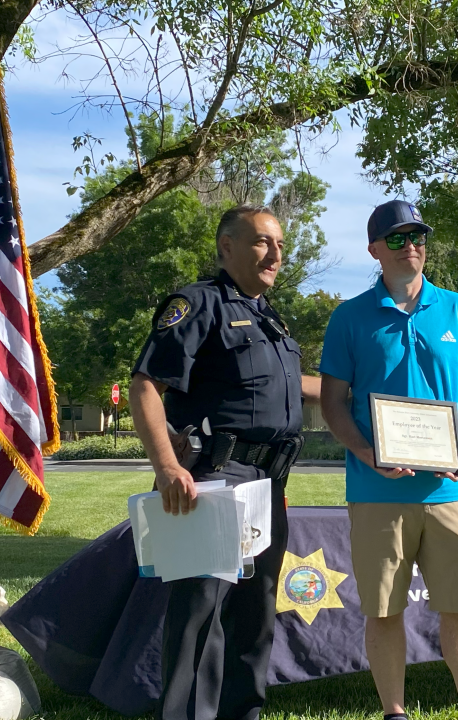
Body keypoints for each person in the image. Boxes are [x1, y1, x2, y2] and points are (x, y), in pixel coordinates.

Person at [130, 204, 322, 720]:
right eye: (262, 242)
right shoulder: (198, 305)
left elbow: (290, 386)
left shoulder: (271, 319)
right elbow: (146, 383)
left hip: (268, 480)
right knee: (199, 615)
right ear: (227, 247)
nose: (275, 254)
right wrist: (169, 466)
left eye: (280, 244)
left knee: (254, 615)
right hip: (215, 476)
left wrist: (361, 394)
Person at [318, 200, 458, 720]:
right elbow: (333, 402)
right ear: (374, 249)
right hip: (376, 493)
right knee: (384, 612)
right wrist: (367, 453)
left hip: (451, 491)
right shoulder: (350, 317)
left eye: (417, 235)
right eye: (396, 238)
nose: (411, 245)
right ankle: (394, 713)